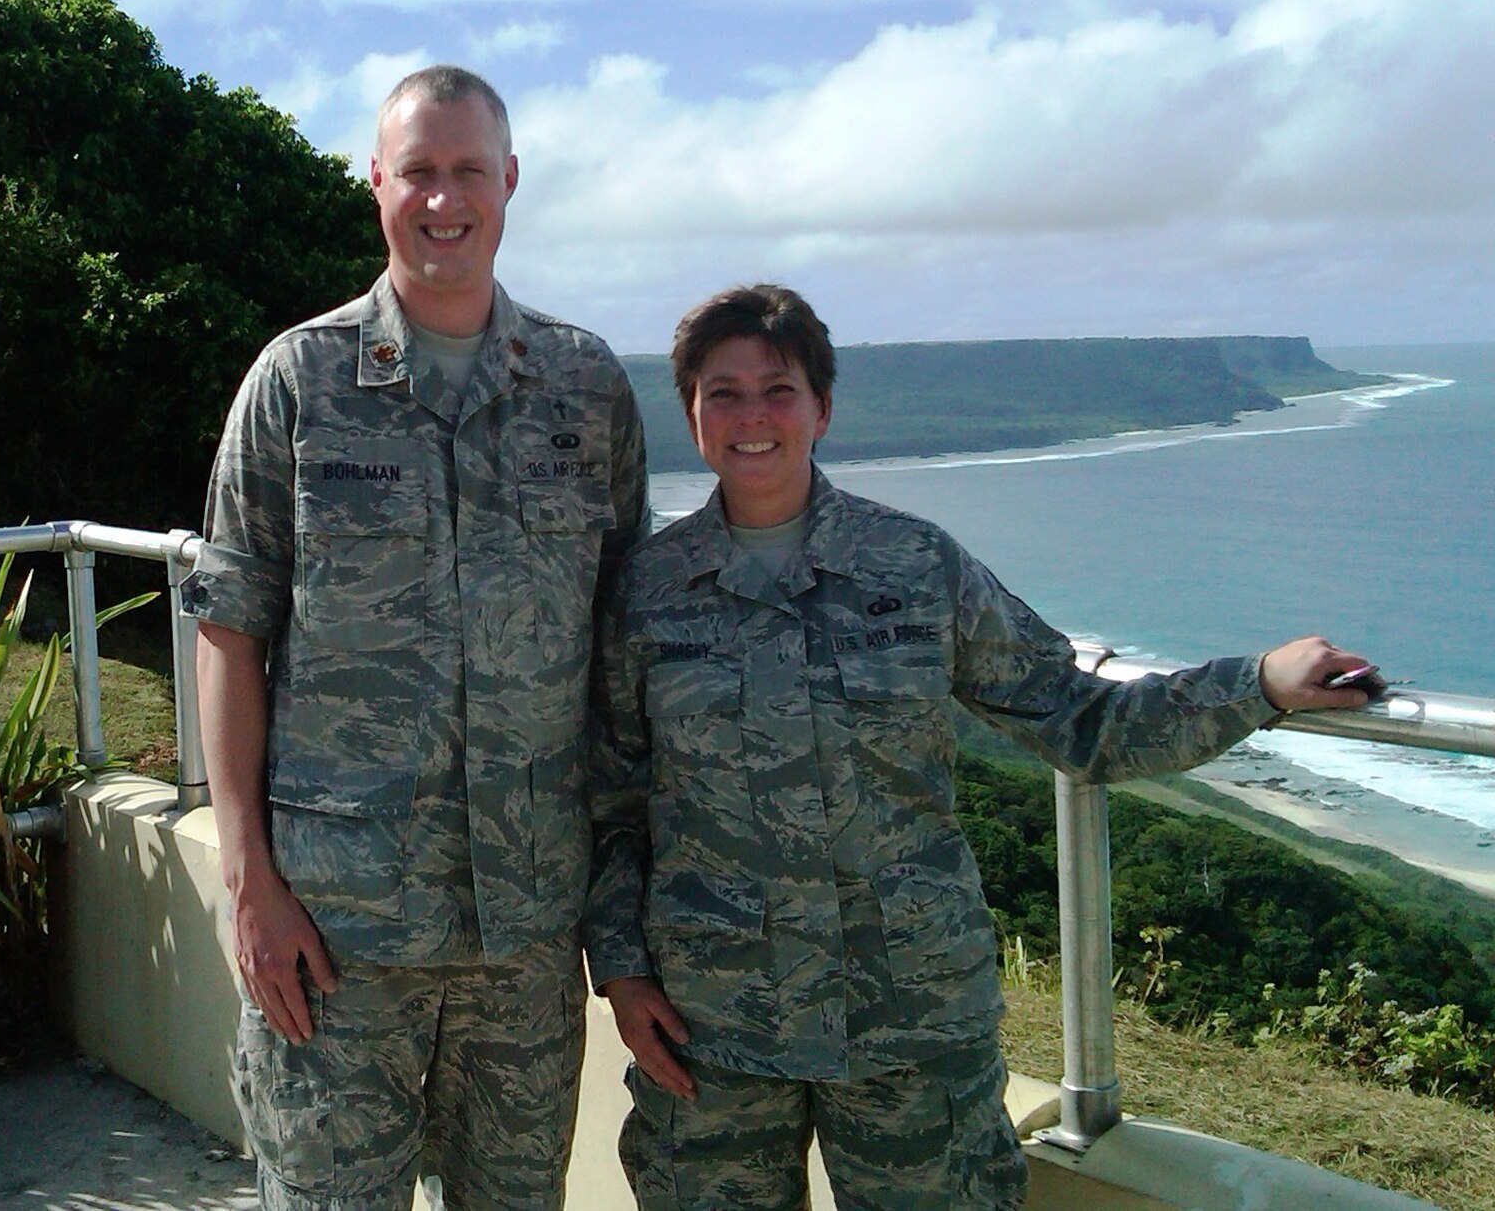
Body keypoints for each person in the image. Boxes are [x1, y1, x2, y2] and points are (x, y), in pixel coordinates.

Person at [583, 284, 1380, 1211]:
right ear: (690, 414)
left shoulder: (918, 567)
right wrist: (622, 971)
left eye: (779, 389)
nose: (752, 415)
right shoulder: (647, 593)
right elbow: (609, 798)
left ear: (822, 408)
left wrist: (1259, 685)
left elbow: (1080, 718)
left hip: (912, 1022)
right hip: (711, 1026)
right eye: (723, 392)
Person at [181, 65, 648, 1210]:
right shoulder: (298, 382)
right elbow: (229, 632)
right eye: (419, 173)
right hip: (337, 930)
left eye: (469, 173)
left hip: (527, 932)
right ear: (376, 181)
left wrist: (625, 908)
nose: (444, 200)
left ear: (510, 183)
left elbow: (622, 647)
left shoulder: (583, 387)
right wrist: (249, 882)